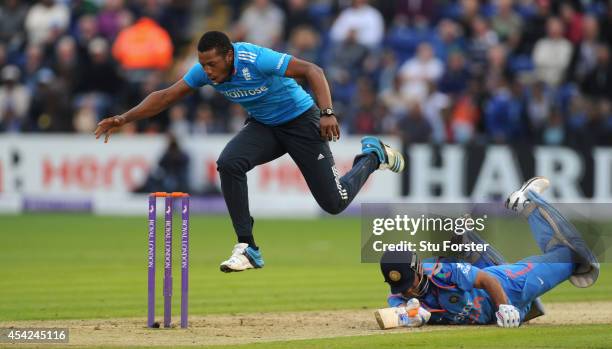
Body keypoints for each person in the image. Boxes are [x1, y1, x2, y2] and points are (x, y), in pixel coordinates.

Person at [94, 31, 404, 273]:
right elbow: (166, 96)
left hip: (301, 122)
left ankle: (373, 155)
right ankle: (247, 247)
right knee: (229, 162)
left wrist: (327, 111)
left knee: (334, 203)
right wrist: (124, 118)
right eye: (203, 64)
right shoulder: (205, 71)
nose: (207, 71)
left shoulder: (255, 58)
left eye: (212, 64)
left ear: (229, 56)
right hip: (265, 126)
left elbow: (313, 70)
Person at [379, 177, 599, 328]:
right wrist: (410, 316)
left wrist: (504, 306)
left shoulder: (441, 272)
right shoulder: (398, 295)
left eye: (408, 282)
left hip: (508, 285)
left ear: (417, 268)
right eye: (401, 286)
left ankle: (527, 199)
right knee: (525, 311)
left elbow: (486, 279)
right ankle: (464, 240)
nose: (407, 290)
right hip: (488, 310)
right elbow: (396, 311)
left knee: (575, 257)